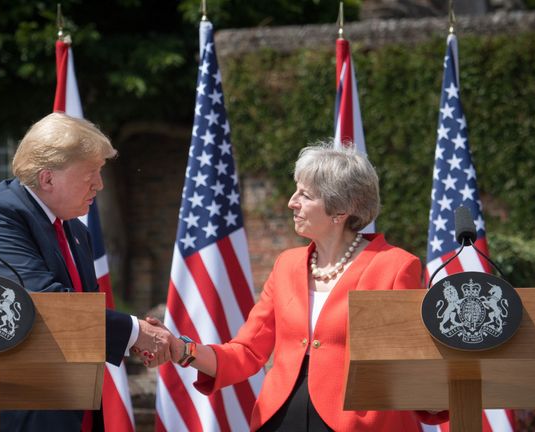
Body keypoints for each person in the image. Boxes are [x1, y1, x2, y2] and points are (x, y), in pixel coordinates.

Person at [150, 142, 448, 431]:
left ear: (340, 211)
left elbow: (413, 361)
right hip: (279, 418)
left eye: (305, 195)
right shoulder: (286, 265)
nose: (292, 202)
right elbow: (246, 352)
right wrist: (182, 349)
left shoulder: (395, 266)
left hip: (357, 424)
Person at [0, 112, 173, 432]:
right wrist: (135, 332)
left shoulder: (76, 232)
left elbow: (79, 315)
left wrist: (132, 338)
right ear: (48, 178)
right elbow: (41, 303)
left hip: (59, 409)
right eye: (91, 173)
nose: (99, 184)